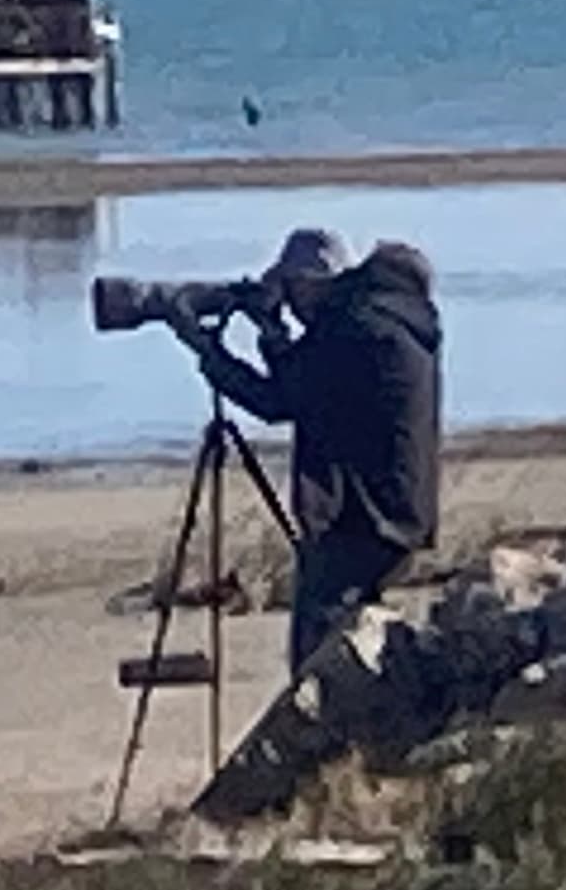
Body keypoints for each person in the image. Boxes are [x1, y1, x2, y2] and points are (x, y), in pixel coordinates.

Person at [168, 226, 444, 672]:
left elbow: (278, 401)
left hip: (364, 518)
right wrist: (273, 335)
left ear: (312, 283)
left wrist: (207, 353)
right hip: (392, 511)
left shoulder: (351, 329)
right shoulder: (380, 320)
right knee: (352, 643)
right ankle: (355, 724)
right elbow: (309, 387)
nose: (289, 302)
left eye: (291, 289)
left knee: (316, 653)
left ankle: (330, 732)